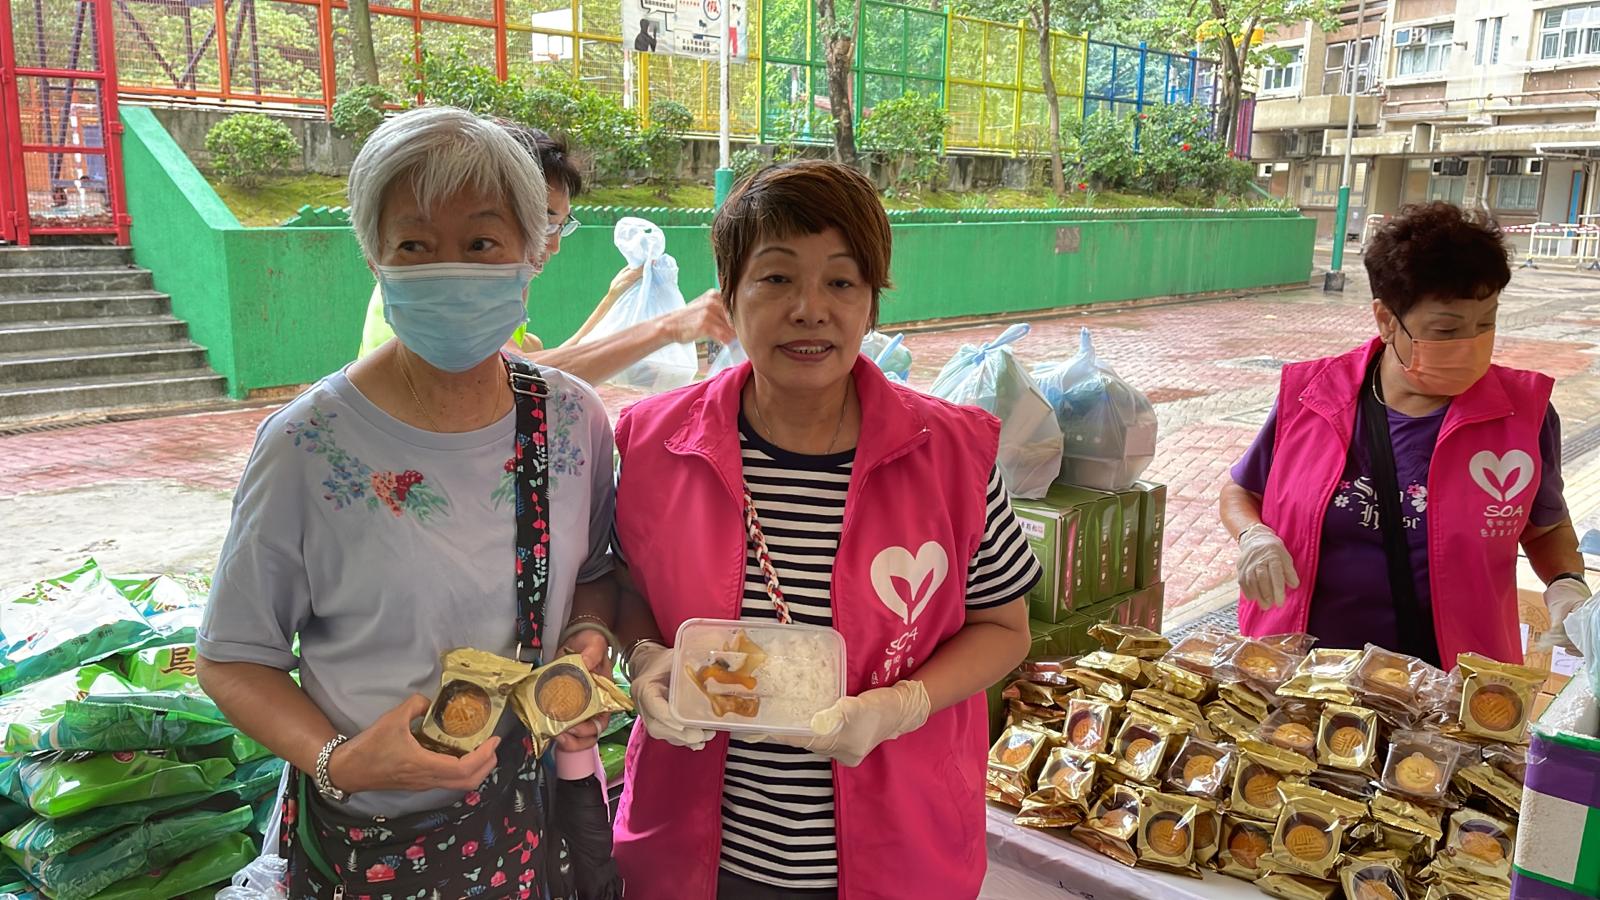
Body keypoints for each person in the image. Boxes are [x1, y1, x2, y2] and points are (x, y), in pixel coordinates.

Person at [196, 106, 621, 899]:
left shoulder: (571, 420)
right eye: (415, 245)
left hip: (526, 820)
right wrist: (340, 761)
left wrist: (588, 639)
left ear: (534, 250)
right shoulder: (305, 446)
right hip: (369, 837)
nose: (449, 269)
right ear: (374, 256)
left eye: (482, 242)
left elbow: (595, 571)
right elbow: (232, 659)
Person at [607, 160, 1040, 899]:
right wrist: (645, 657)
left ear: (871, 305)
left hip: (901, 852)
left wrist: (898, 706)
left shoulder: (952, 455)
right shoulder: (653, 444)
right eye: (776, 278)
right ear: (729, 297)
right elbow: (621, 588)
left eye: (841, 282)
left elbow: (1004, 628)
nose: (810, 309)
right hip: (695, 858)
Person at [1220, 202, 1592, 668]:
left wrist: (1565, 582)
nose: (1471, 344)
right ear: (1386, 319)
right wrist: (1254, 536)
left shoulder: (1523, 415)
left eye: (1486, 323)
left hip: (1450, 686)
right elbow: (1240, 490)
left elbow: (1547, 526)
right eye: (1446, 329)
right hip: (1302, 676)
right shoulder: (1313, 397)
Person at [358, 125, 734, 384]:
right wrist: (666, 328)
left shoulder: (500, 287)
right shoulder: (462, 287)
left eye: (559, 225)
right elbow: (521, 379)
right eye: (544, 220)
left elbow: (537, 363)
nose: (552, 243)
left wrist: (611, 299)